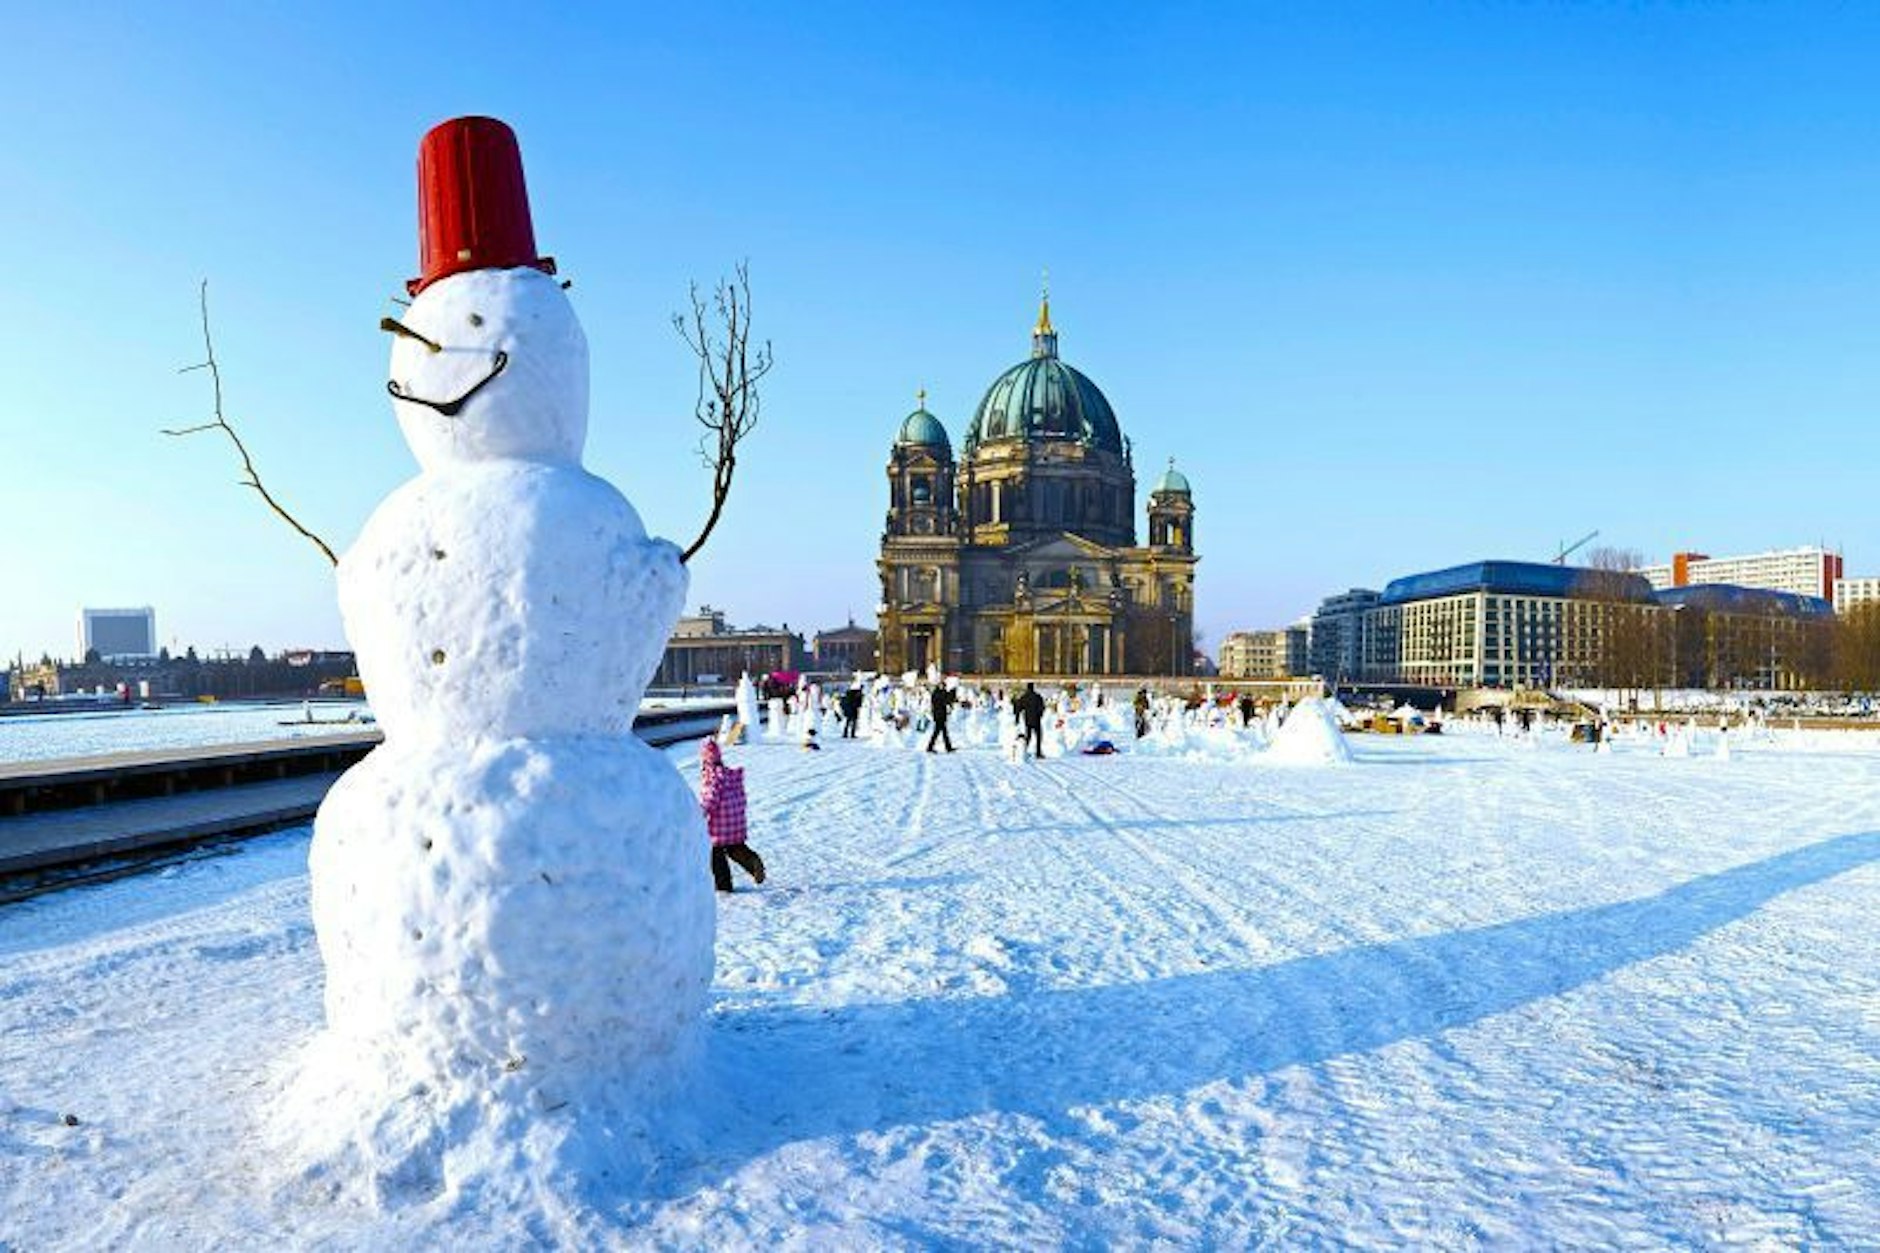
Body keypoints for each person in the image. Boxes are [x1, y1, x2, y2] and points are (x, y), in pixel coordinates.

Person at [698, 739, 765, 893]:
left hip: (719, 824)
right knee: (734, 847)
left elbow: (710, 799)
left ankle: (723, 886)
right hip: (736, 820)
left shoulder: (712, 776)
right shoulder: (730, 774)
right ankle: (751, 861)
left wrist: (700, 812)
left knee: (714, 851)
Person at [1015, 682, 1046, 759]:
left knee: (1028, 736)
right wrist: (1040, 715)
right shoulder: (1037, 696)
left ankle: (1023, 751)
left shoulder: (1024, 697)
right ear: (1033, 687)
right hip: (1036, 720)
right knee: (1038, 736)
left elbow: (1018, 708)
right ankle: (1038, 753)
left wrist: (1017, 719)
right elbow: (1042, 707)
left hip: (1028, 720)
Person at [927, 680, 956, 752]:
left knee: (942, 732)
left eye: (944, 686)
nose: (943, 687)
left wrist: (953, 692)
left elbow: (949, 700)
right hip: (938, 715)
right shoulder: (937, 693)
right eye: (942, 685)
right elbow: (945, 700)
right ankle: (930, 747)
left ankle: (947, 747)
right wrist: (951, 693)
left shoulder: (941, 692)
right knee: (938, 732)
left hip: (941, 715)